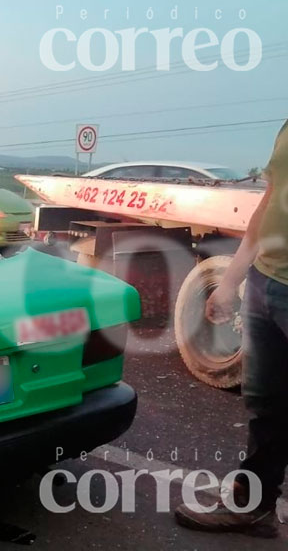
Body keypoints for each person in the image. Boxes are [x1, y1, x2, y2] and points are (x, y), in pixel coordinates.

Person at [175, 120, 288, 539]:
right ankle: (253, 508)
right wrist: (230, 281)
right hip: (265, 281)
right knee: (266, 404)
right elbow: (270, 204)